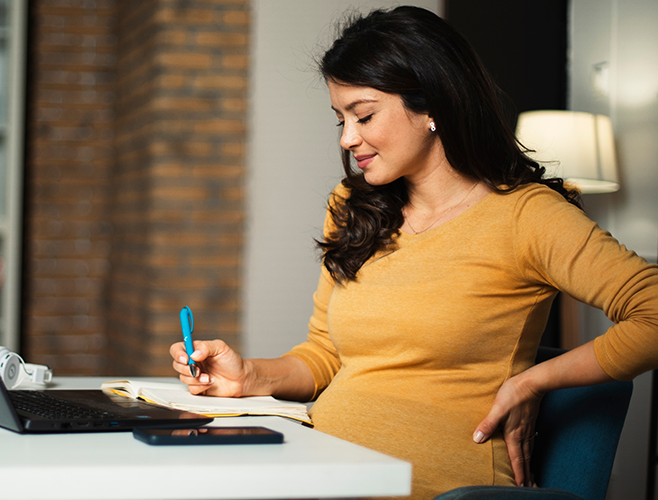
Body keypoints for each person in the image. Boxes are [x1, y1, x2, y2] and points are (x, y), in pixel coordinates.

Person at [169, 6, 658, 499]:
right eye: (340, 118)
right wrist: (248, 376)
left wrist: (534, 381)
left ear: (433, 106)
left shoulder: (527, 216)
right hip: (316, 471)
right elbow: (326, 355)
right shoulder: (354, 208)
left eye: (363, 115)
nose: (347, 138)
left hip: (434, 488)